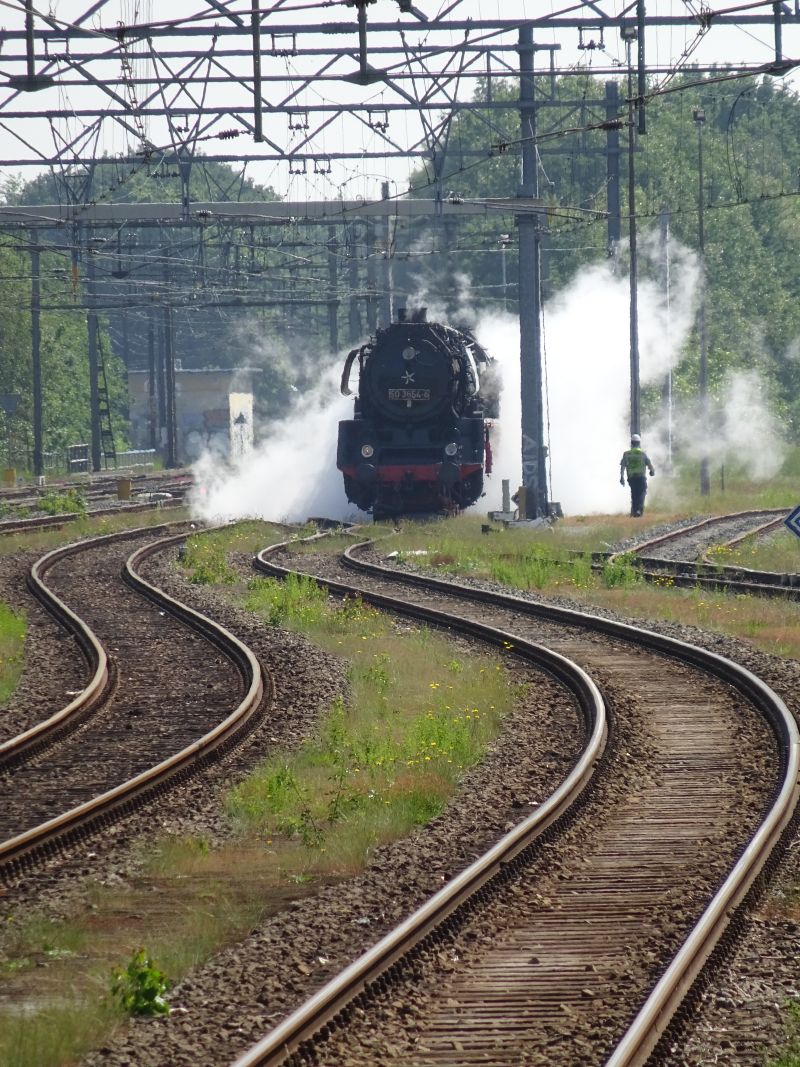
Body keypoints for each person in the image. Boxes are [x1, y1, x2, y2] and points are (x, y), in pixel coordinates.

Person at [620, 433, 655, 517]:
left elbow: (623, 466)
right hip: (641, 477)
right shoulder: (643, 453)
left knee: (634, 494)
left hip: (631, 478)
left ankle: (634, 512)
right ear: (639, 443)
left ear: (631, 443)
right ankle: (639, 510)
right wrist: (652, 471)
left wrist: (622, 477)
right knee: (642, 493)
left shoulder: (626, 454)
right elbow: (649, 464)